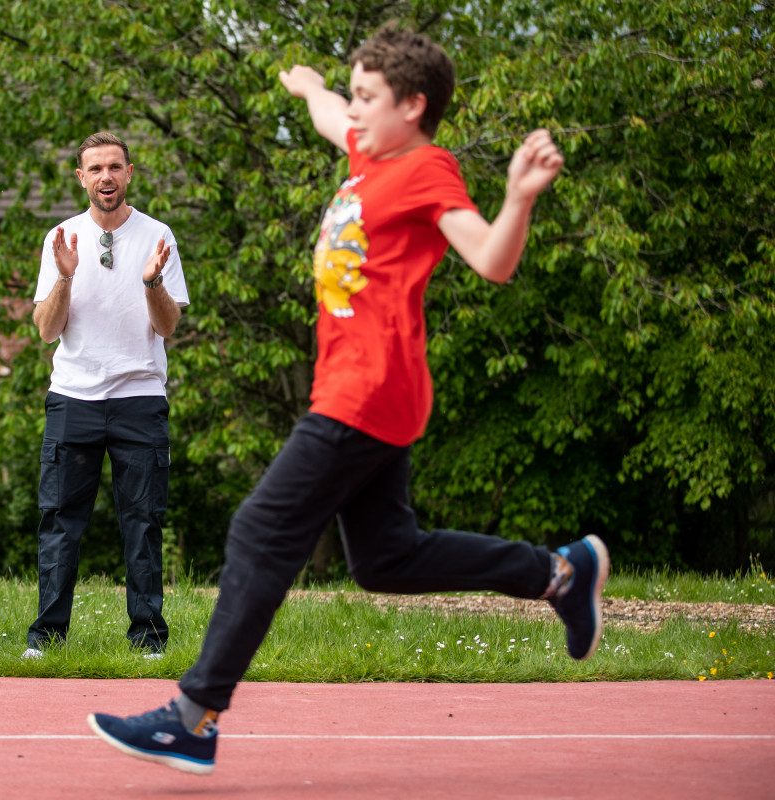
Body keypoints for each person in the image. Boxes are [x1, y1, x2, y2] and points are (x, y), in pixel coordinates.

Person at [87, 24, 607, 773]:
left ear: (413, 105)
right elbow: (331, 113)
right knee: (387, 559)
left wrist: (518, 199)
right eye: (355, 95)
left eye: (370, 97)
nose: (355, 110)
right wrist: (308, 87)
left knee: (260, 531)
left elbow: (491, 259)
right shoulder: (368, 150)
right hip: (358, 392)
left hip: (369, 393)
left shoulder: (428, 169)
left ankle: (192, 717)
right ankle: (560, 573)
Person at [23, 131, 189, 659]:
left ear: (130, 173)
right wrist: (65, 280)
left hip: (139, 396)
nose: (106, 178)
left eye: (114, 167)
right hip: (74, 397)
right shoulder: (61, 238)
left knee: (143, 521)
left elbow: (168, 328)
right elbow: (46, 331)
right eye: (95, 169)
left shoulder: (157, 235)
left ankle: (148, 640)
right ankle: (47, 638)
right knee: (59, 521)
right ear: (81, 178)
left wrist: (152, 284)